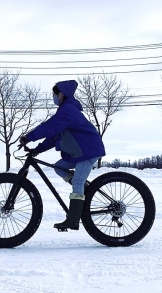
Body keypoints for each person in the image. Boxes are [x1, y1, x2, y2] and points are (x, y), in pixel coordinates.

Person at [20, 80, 106, 231]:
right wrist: (37, 149)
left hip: (88, 150)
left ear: (61, 94)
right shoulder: (65, 111)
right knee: (59, 167)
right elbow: (54, 136)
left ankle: (73, 220)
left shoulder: (68, 110)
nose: (53, 97)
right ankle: (82, 190)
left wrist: (28, 137)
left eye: (54, 94)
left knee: (78, 182)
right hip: (80, 152)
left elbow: (49, 127)